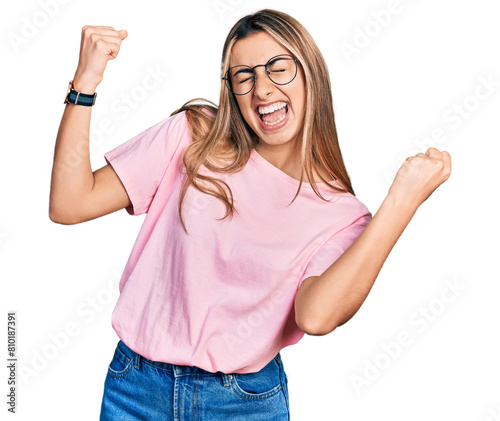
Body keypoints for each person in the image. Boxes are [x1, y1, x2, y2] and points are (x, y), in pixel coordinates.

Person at [49, 9, 451, 421]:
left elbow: (316, 316)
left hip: (243, 404)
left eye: (278, 68)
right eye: (244, 76)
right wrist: (86, 83)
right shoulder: (195, 136)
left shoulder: (341, 216)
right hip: (135, 389)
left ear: (310, 73)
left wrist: (401, 202)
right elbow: (69, 203)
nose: (262, 89)